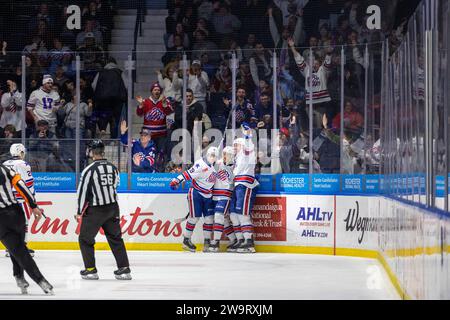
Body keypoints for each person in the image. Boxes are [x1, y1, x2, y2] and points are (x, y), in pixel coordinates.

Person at [75, 139, 131, 280]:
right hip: (112, 207)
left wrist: (78, 211)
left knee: (85, 239)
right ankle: (124, 269)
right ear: (103, 151)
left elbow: (82, 192)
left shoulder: (89, 170)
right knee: (116, 238)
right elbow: (116, 184)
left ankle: (90, 270)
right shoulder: (113, 167)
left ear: (92, 153)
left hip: (96, 210)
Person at [0, 163, 53, 295]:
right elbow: (22, 186)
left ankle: (31, 279)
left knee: (16, 248)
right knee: (18, 248)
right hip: (15, 213)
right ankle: (25, 278)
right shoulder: (5, 169)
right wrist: (33, 205)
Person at [169, 147, 219, 252]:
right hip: (196, 193)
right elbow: (188, 174)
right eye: (210, 155)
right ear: (207, 154)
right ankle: (186, 240)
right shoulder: (200, 164)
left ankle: (207, 242)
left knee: (209, 219)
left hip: (208, 195)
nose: (212, 157)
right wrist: (176, 180)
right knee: (194, 218)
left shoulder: (215, 167)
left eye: (214, 156)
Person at [229, 124, 259, 253]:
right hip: (237, 186)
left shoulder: (247, 153)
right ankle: (243, 240)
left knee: (243, 213)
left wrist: (247, 133)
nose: (235, 147)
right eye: (234, 145)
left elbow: (249, 144)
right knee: (235, 214)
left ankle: (249, 242)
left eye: (237, 145)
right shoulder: (236, 158)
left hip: (245, 185)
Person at [3, 144, 36, 258]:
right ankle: (22, 248)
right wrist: (32, 199)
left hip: (7, 200)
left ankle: (9, 248)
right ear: (21, 152)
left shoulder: (5, 164)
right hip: (21, 199)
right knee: (23, 223)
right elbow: (28, 184)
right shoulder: (23, 164)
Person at [136, 82, 174, 165]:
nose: (157, 91)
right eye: (155, 90)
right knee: (148, 153)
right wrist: (141, 105)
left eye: (158, 90)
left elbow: (169, 112)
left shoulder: (165, 101)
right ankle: (149, 171)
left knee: (160, 154)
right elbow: (139, 114)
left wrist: (164, 104)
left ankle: (159, 171)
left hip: (161, 135)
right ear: (151, 91)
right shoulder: (145, 102)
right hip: (148, 135)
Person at [208, 146, 237, 253]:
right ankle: (234, 239)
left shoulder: (235, 166)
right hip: (215, 195)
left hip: (225, 195)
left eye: (228, 154)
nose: (225, 156)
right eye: (224, 153)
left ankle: (216, 242)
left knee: (218, 216)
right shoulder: (218, 163)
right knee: (224, 220)